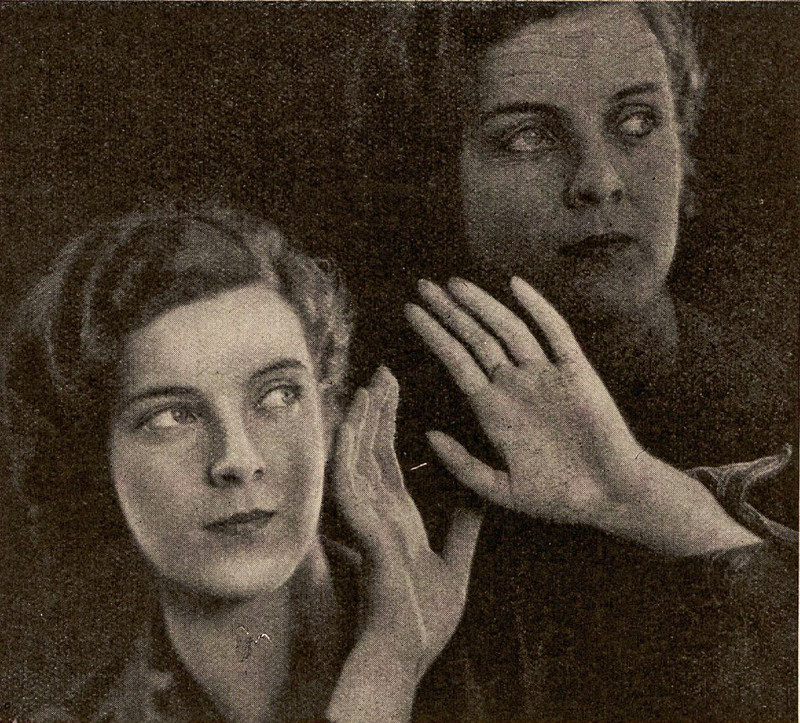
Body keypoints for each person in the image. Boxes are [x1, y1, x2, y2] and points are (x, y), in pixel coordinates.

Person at [344, 3, 797, 720]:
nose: (599, 179)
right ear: (437, 175)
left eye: (638, 122)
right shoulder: (362, 447)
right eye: (528, 136)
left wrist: (660, 507)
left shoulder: (777, 407)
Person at [2, 207, 482, 722]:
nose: (238, 459)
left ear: (329, 420)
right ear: (95, 462)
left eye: (278, 395)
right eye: (172, 416)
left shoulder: (494, 644)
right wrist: (382, 681)